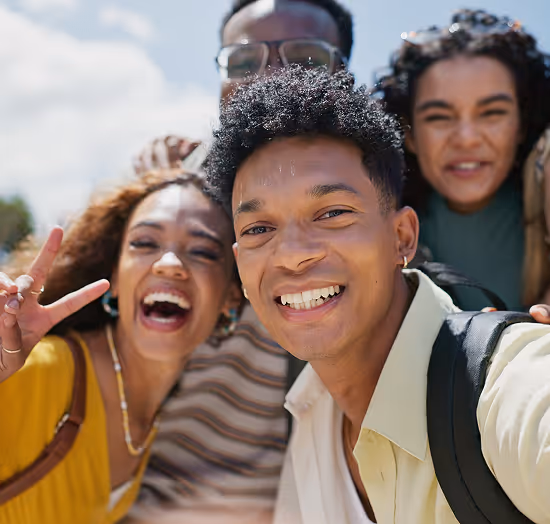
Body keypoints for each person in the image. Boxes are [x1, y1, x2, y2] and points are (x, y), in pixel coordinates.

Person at [205, 65, 550, 523]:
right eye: (259, 228)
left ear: (402, 237)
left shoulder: (504, 381)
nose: (290, 255)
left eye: (332, 213)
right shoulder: (311, 416)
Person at [129, 1, 354, 520]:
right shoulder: (167, 197)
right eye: (243, 60)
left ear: (343, 73)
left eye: (304, 56)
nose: (270, 75)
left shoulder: (381, 192)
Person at [0, 170, 241, 524]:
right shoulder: (39, 370)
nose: (169, 264)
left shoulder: (153, 415)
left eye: (203, 251)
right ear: (114, 277)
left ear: (231, 297)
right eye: (145, 243)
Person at [374, 9, 550, 311]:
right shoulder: (375, 223)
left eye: (492, 113)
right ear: (409, 134)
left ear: (522, 125)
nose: (466, 138)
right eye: (439, 117)